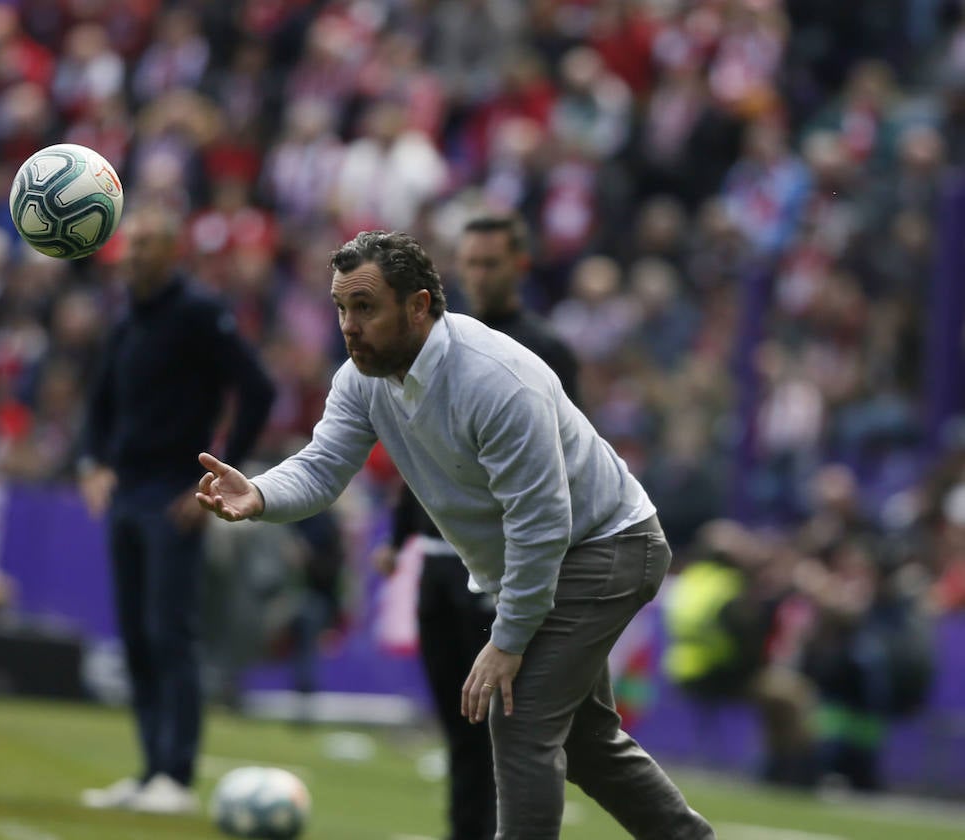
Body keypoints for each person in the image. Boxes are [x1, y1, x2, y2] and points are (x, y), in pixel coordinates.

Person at [196, 230, 714, 839]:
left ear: (419, 306)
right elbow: (322, 465)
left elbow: (541, 523)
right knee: (587, 742)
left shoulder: (494, 378)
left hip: (609, 546)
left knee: (519, 718)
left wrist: (509, 637)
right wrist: (259, 494)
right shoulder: (363, 377)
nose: (348, 326)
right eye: (340, 308)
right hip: (565, 551)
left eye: (365, 307)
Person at [370, 214, 578, 840]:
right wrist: (399, 533)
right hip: (436, 559)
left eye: (491, 262)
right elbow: (423, 448)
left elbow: (557, 464)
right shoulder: (438, 340)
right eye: (470, 261)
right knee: (460, 728)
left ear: (520, 264)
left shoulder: (544, 347)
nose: (479, 274)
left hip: (499, 566)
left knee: (505, 730)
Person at [79, 206, 275, 814]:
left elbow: (258, 389)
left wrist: (220, 473)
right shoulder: (125, 319)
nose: (133, 253)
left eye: (146, 243)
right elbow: (99, 402)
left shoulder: (197, 312)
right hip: (126, 493)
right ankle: (149, 770)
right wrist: (93, 463)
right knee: (137, 635)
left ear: (173, 250)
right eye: (129, 243)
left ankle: (178, 776)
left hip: (173, 494)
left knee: (172, 633)